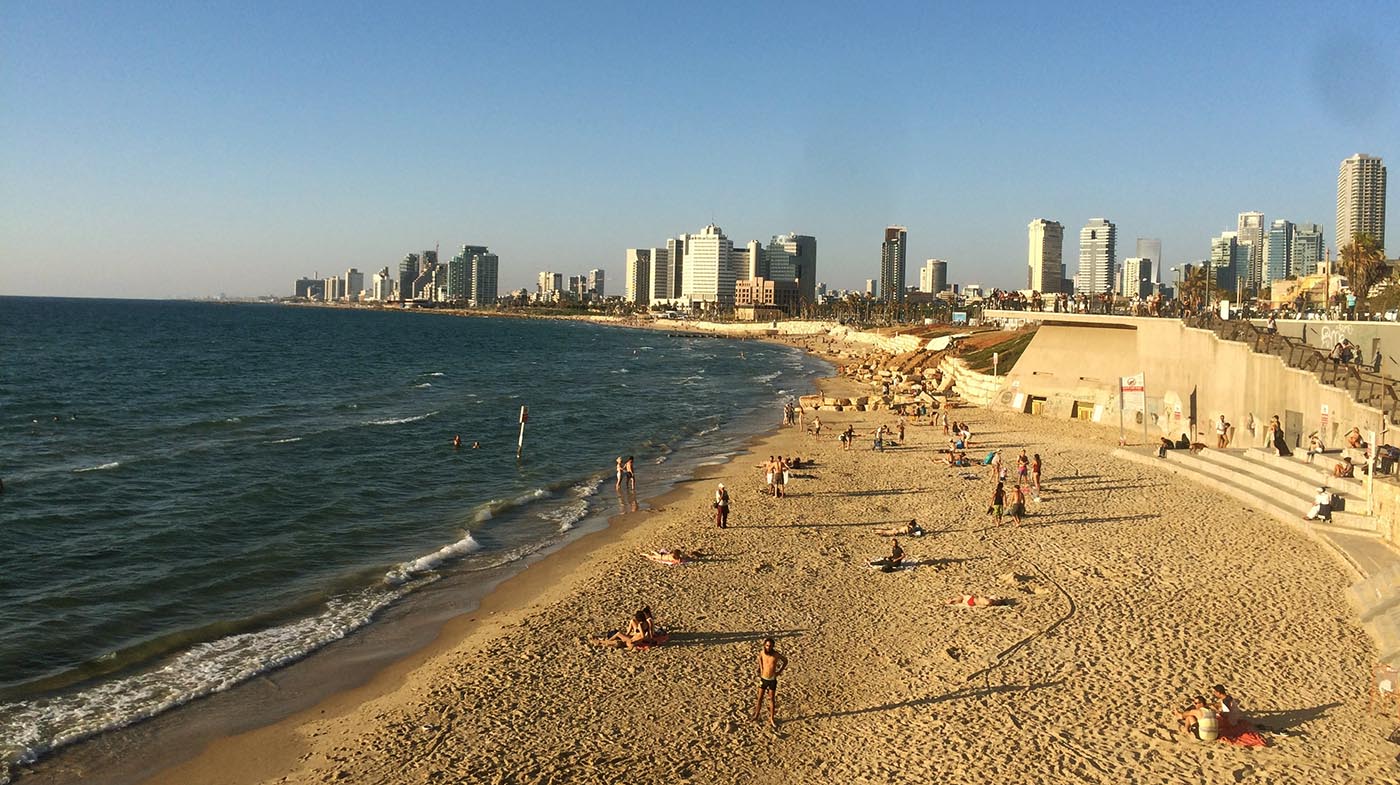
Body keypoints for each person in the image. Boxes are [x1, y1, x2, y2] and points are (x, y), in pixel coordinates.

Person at [752, 638, 788, 727]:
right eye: (767, 645)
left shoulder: (776, 655)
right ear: (765, 645)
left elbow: (785, 661)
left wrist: (779, 672)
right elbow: (759, 658)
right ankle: (756, 715)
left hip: (772, 679)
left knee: (771, 699)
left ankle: (771, 718)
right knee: (760, 698)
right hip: (763, 678)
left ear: (773, 646)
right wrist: (761, 668)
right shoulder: (762, 653)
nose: (768, 647)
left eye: (770, 646)